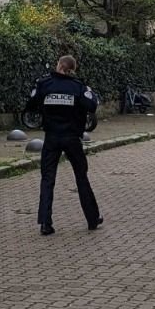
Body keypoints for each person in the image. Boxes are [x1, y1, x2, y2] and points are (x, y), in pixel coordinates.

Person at [24, 54, 102, 236]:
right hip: (72, 138)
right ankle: (92, 219)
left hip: (51, 138)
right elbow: (92, 106)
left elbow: (31, 105)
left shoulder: (44, 84)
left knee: (47, 179)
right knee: (81, 177)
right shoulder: (78, 87)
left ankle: (45, 222)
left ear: (59, 65)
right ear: (72, 69)